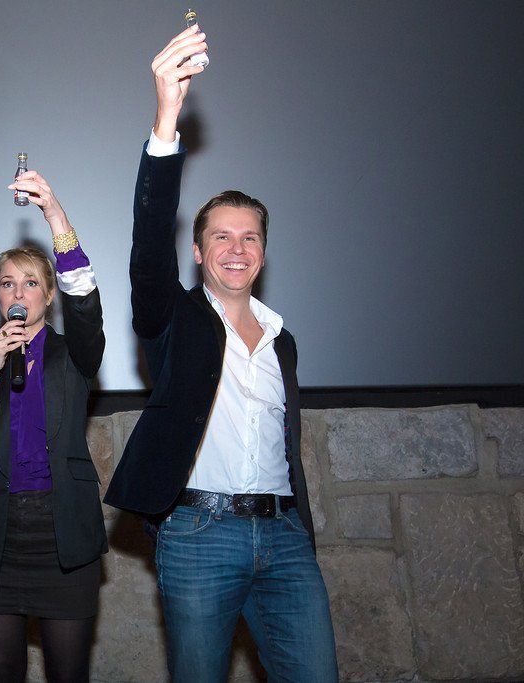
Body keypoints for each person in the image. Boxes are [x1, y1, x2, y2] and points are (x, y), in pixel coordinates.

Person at [103, 24, 339, 683]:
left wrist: (299, 527)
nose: (237, 249)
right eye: (221, 237)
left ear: (263, 251)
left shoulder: (282, 339)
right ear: (198, 250)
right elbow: (150, 243)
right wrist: (166, 120)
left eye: (250, 237)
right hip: (200, 536)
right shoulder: (174, 318)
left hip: (286, 537)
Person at [0, 170, 106, 683]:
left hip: (64, 535)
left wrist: (54, 214)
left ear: (50, 294)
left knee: (68, 674)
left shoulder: (74, 353)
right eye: (7, 283)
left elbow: (86, 301)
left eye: (31, 282)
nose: (19, 292)